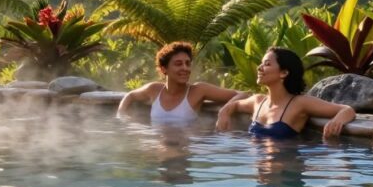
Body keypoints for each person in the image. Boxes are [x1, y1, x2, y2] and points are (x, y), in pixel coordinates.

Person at [215, 47, 355, 138]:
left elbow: (347, 110)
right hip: (260, 175)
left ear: (284, 73)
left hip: (285, 173)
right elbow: (235, 105)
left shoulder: (299, 103)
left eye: (267, 64)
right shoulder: (258, 101)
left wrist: (336, 122)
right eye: (262, 63)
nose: (259, 67)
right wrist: (224, 113)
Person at [117, 41, 246, 124]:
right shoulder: (154, 89)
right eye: (178, 64)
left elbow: (244, 94)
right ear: (164, 69)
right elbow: (131, 95)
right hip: (158, 146)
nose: (185, 68)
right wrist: (121, 115)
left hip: (183, 149)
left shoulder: (198, 90)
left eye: (187, 63)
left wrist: (225, 111)